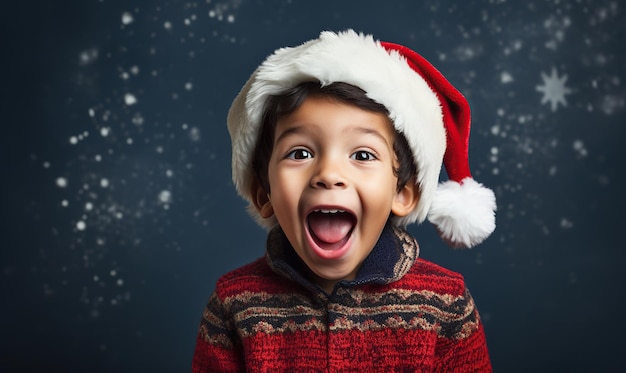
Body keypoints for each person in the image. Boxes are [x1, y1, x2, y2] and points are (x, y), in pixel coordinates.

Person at [192, 29, 496, 372]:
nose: (328, 173)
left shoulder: (446, 305)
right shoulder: (233, 305)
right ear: (264, 195)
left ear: (402, 193)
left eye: (363, 155)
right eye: (301, 152)